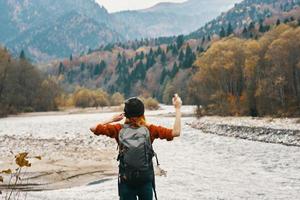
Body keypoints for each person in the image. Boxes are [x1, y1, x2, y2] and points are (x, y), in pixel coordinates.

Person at [90, 94, 182, 200]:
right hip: (145, 181)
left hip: (126, 181)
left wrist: (112, 119)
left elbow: (93, 128)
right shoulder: (150, 129)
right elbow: (176, 132)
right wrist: (178, 108)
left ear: (126, 114)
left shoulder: (118, 129)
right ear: (142, 113)